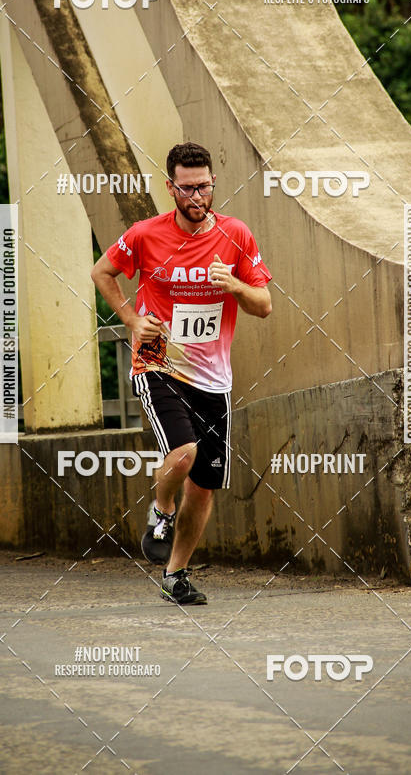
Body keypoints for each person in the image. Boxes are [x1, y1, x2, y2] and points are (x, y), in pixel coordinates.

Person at [91, 142, 272, 605]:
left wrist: (233, 284)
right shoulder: (146, 234)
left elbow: (264, 306)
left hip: (213, 376)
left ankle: (176, 574)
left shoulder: (236, 235)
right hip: (157, 360)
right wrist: (131, 320)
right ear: (171, 188)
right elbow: (102, 271)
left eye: (204, 186)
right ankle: (161, 508)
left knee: (205, 485)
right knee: (185, 452)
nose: (196, 195)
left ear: (213, 185)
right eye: (187, 187)